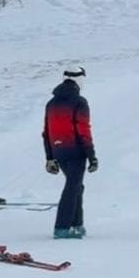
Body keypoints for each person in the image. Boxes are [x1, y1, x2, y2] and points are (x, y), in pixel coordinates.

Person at [42, 65, 99, 239]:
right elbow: (83, 129)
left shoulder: (51, 103)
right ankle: (62, 227)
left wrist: (50, 157)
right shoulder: (79, 102)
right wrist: (92, 156)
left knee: (76, 186)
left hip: (58, 150)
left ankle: (77, 224)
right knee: (72, 187)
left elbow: (47, 131)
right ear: (79, 79)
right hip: (75, 150)